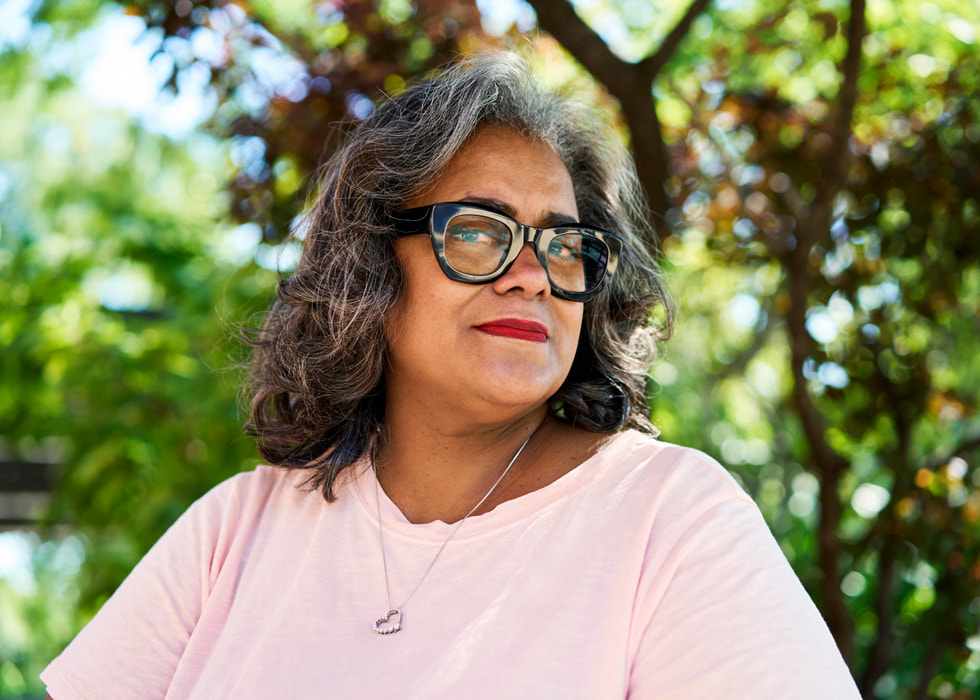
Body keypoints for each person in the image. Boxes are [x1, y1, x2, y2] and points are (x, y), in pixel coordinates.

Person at [41, 52, 860, 698]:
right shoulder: (236, 531)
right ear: (369, 262)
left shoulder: (673, 522)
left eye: (565, 243)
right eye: (477, 232)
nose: (533, 275)